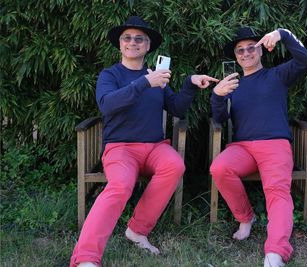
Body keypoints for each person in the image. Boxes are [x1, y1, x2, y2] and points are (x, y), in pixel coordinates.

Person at [70, 16, 218, 267]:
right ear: (120, 44)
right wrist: (144, 83)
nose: (133, 42)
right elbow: (107, 104)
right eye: (127, 38)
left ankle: (137, 230)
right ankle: (86, 257)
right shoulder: (111, 74)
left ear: (148, 46)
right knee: (120, 186)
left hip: (154, 147)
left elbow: (177, 109)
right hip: (121, 148)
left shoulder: (156, 76)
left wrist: (189, 84)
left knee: (175, 165)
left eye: (140, 39)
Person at [209, 26, 307, 267]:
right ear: (235, 57)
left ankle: (276, 252)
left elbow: (305, 59)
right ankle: (246, 218)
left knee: (277, 191)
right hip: (243, 147)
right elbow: (219, 119)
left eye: (251, 48)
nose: (246, 53)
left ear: (261, 50)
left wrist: (284, 34)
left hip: (275, 144)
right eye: (240, 51)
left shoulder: (278, 75)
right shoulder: (233, 86)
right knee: (219, 168)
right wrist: (216, 95)